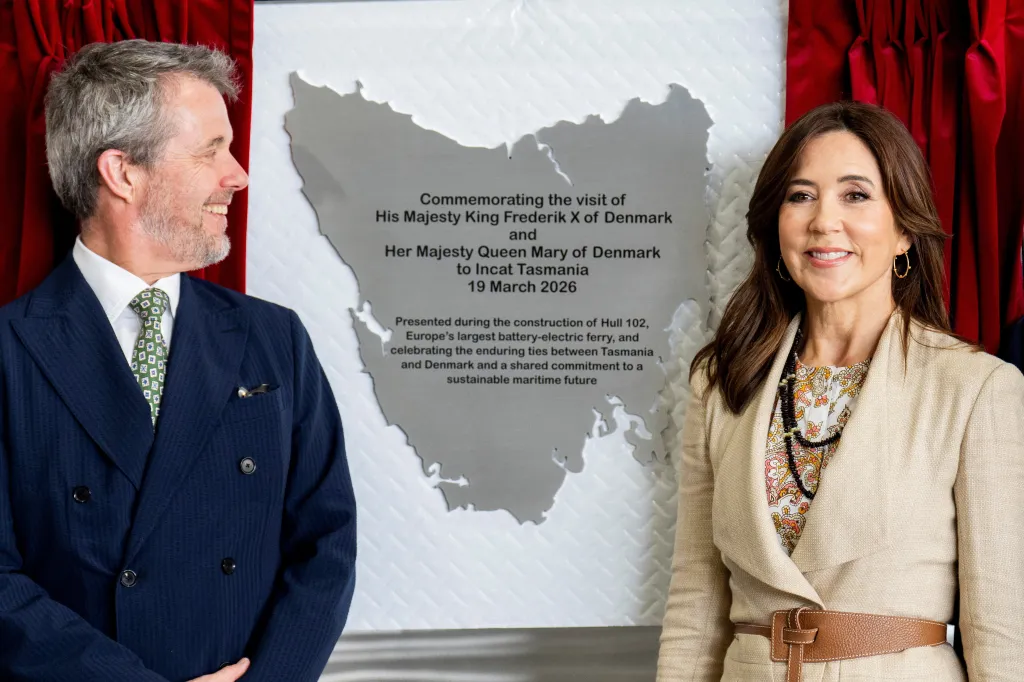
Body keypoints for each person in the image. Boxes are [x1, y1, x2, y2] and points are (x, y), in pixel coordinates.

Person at [0, 40, 357, 682]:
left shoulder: (275, 338)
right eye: (209, 150)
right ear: (123, 173)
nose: (238, 174)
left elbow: (327, 541)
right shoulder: (6, 352)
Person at [656, 101, 1024, 680]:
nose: (823, 220)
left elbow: (1000, 635)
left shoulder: (978, 388)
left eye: (855, 195)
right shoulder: (722, 380)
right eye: (800, 195)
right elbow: (695, 610)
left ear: (904, 229)